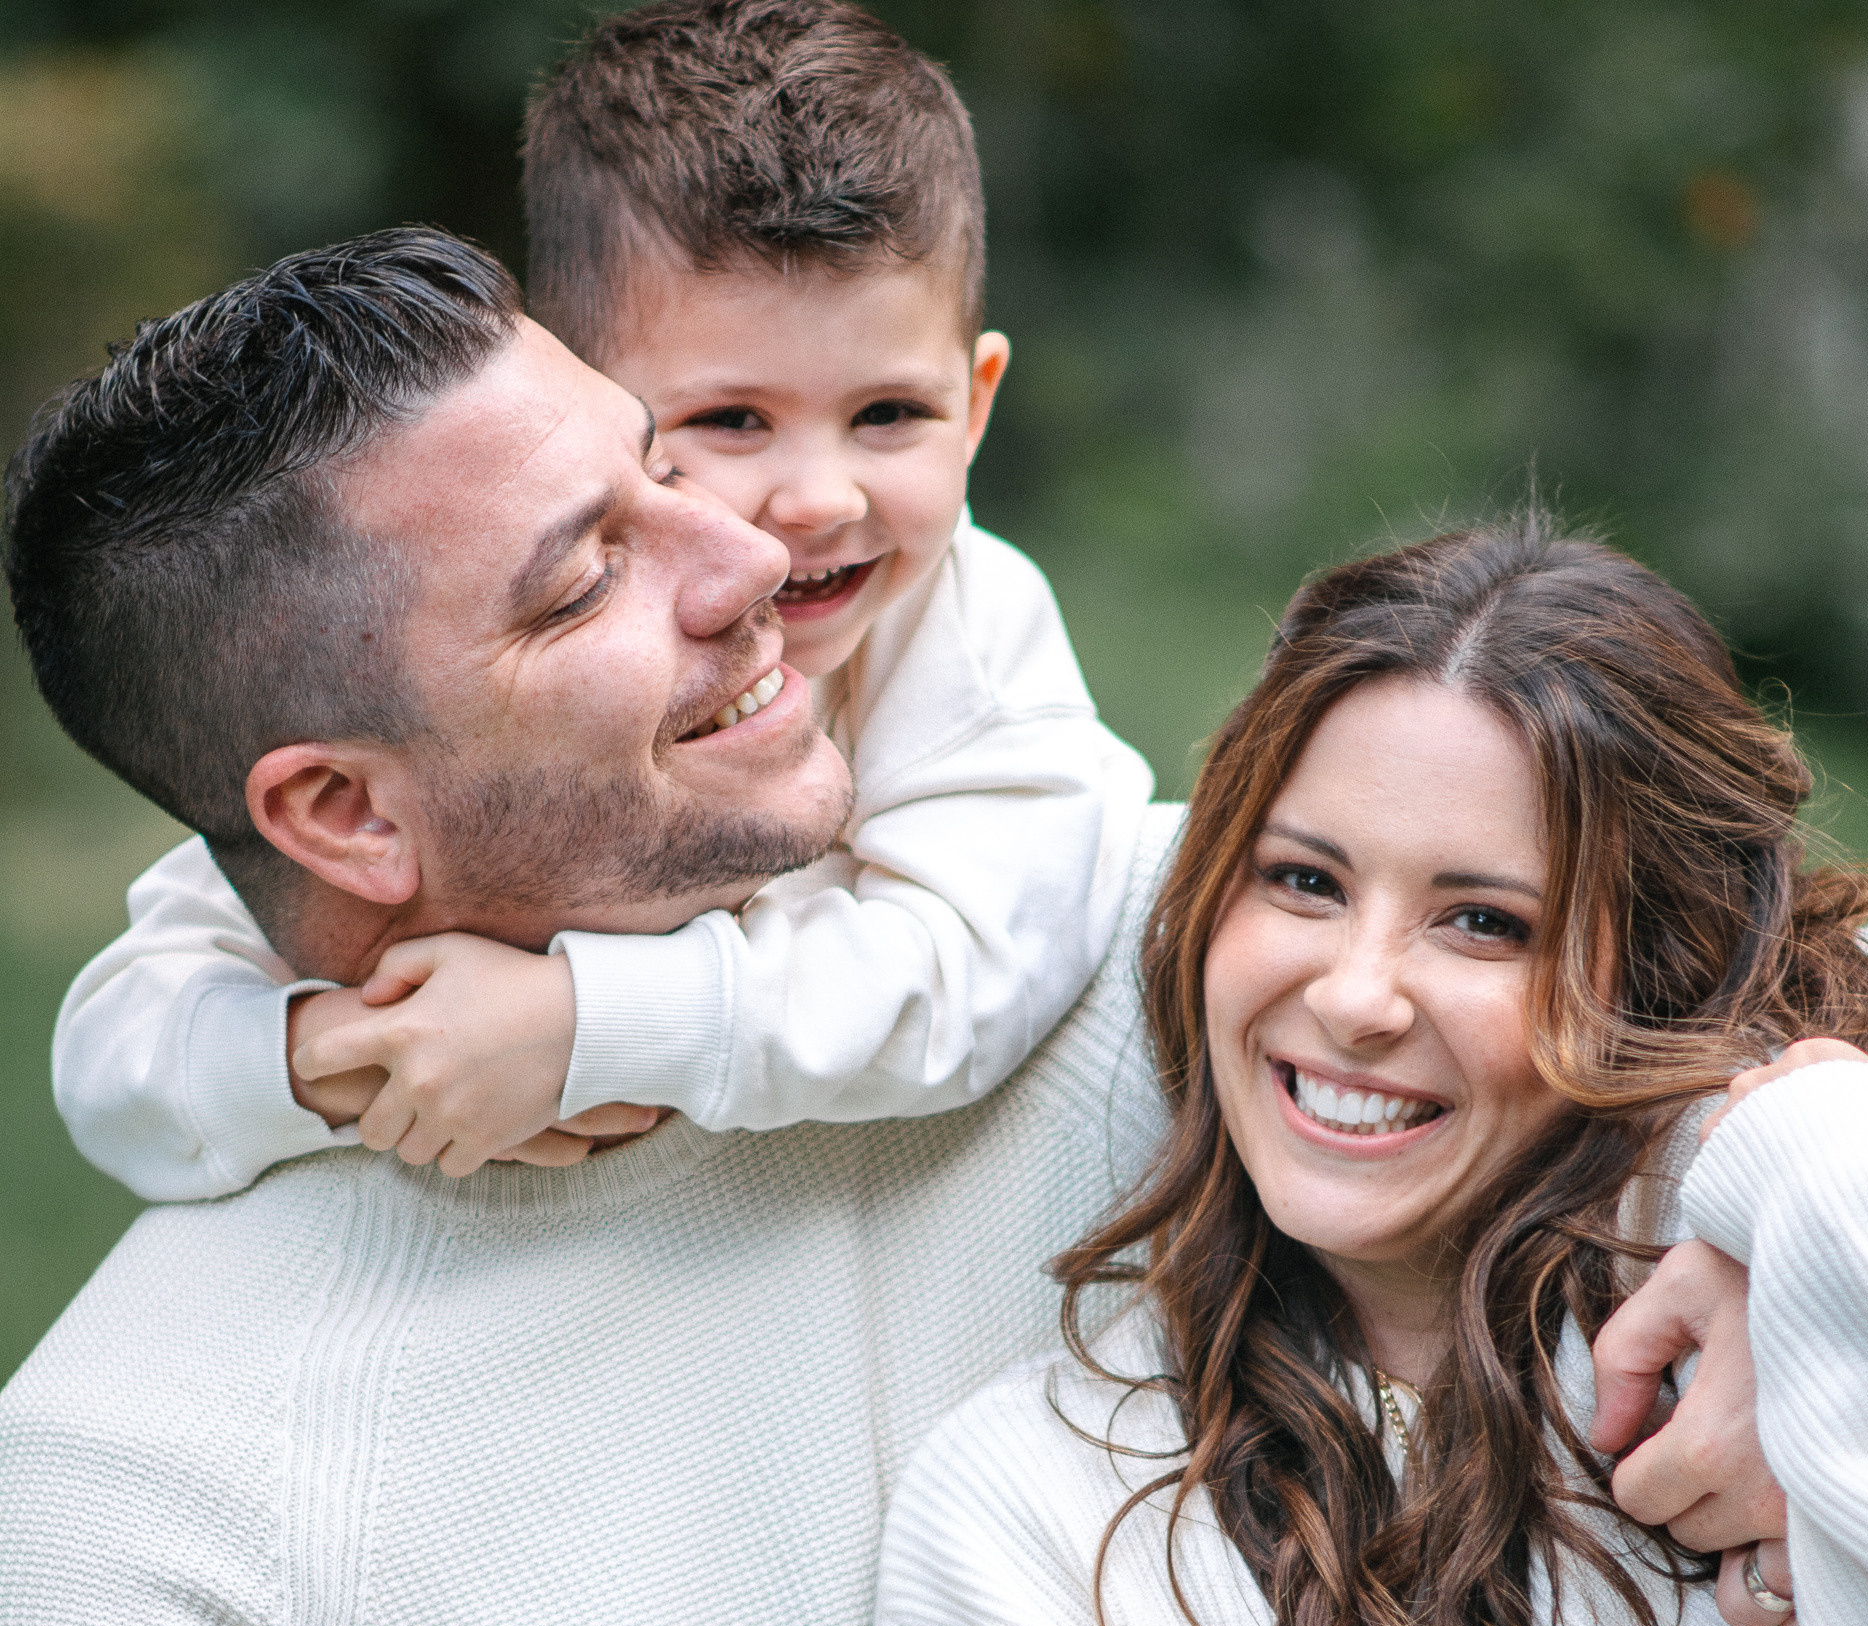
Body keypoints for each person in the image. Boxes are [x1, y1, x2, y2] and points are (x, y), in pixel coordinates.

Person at [0, 227, 1174, 1626]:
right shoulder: (137, 1460)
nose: (755, 551)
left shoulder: (1187, 991)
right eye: (579, 583)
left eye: (658, 467)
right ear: (342, 815)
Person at [874, 520, 1868, 1626]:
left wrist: (1851, 1219)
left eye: (1483, 921)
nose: (1356, 995)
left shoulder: (1805, 1266)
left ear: (1660, 970)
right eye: (1303, 880)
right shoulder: (1042, 1520)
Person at [50, 0, 1153, 1201]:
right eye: (729, 423)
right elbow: (115, 1052)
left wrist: (580, 1021)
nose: (809, 509)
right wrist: (348, 1055)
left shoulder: (964, 632)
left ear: (975, 402)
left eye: (888, 414)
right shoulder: (382, 741)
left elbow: (973, 968)